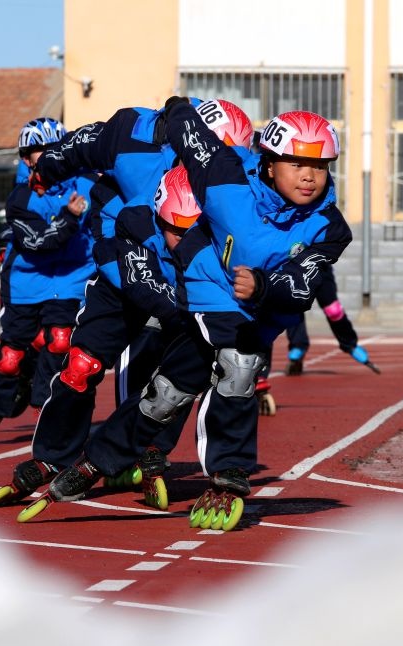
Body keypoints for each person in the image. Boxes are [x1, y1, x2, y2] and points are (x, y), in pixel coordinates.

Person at [20, 101, 353, 532]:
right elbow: (186, 132)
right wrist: (176, 107)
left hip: (261, 308)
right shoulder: (223, 176)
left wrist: (266, 286)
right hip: (206, 293)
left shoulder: (330, 225)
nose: (309, 176)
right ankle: (194, 468)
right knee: (234, 368)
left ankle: (116, 460)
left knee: (170, 393)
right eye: (295, 164)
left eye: (320, 167)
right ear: (268, 165)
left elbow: (305, 282)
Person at [0, 101, 255, 509]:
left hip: (186, 278)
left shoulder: (237, 179)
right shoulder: (132, 131)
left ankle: (150, 451)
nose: (211, 172)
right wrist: (45, 172)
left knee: (175, 377)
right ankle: (52, 456)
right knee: (80, 367)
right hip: (120, 262)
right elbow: (76, 148)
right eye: (205, 158)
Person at [0, 118, 108, 445]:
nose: (38, 157)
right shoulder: (21, 197)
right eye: (31, 152)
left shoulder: (89, 183)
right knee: (10, 357)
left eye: (46, 150)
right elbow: (38, 242)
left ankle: (46, 405)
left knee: (59, 340)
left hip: (73, 275)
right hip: (26, 279)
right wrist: (69, 218)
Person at [283, 264, 379, 375]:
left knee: (333, 310)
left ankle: (350, 344)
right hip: (293, 266)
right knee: (294, 305)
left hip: (320, 263)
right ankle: (298, 345)